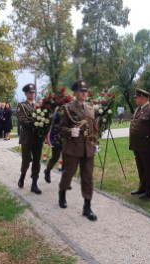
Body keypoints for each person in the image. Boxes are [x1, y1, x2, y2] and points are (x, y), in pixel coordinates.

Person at [58, 80, 99, 221]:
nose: (84, 93)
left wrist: (96, 143)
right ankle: (62, 192)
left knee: (88, 178)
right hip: (73, 147)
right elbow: (61, 128)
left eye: (85, 91)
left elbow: (93, 129)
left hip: (88, 148)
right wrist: (70, 132)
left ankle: (87, 207)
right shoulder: (68, 108)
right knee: (68, 174)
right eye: (81, 91)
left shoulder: (90, 109)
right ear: (75, 93)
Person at [129, 88, 150, 199]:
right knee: (141, 168)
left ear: (143, 97)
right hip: (137, 145)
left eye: (136, 97)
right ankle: (142, 187)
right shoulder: (138, 109)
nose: (135, 99)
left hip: (148, 146)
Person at [16, 83, 43, 194]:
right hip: (27, 137)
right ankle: (22, 176)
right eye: (30, 92)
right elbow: (22, 120)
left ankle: (34, 184)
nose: (32, 94)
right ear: (26, 93)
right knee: (26, 160)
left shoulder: (40, 106)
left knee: (37, 161)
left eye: (33, 92)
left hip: (37, 138)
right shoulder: (21, 106)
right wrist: (36, 123)